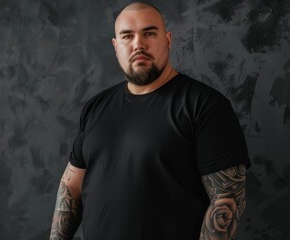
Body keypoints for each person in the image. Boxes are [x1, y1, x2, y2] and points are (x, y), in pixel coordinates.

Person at [50, 2, 251, 240]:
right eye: (127, 36)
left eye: (149, 33)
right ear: (116, 46)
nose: (138, 44)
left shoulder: (205, 106)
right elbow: (71, 189)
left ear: (167, 39)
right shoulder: (96, 107)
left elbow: (227, 200)